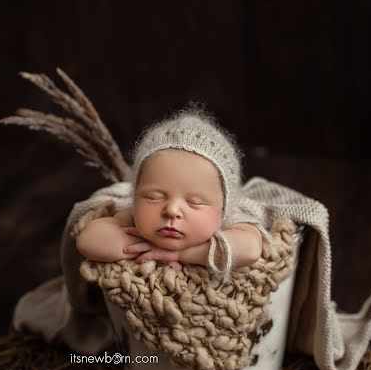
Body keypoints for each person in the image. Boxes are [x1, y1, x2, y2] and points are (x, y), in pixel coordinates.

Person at [76, 107, 265, 280]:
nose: (172, 210)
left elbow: (250, 249)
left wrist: (182, 254)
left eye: (195, 202)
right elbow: (88, 241)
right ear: (135, 195)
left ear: (223, 207)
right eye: (153, 197)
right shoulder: (132, 216)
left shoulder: (229, 222)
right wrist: (144, 241)